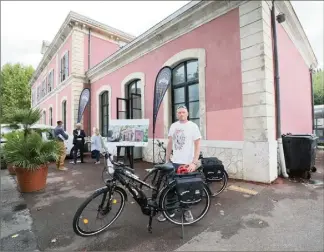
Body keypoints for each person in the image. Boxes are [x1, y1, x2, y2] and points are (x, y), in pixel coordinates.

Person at [157, 105, 202, 222]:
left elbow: (198, 145)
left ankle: (186, 210)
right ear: (177, 114)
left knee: (186, 189)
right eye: (179, 112)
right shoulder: (174, 126)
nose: (181, 114)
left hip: (187, 164)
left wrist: (194, 162)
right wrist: (167, 160)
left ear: (187, 113)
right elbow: (170, 143)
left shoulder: (193, 126)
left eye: (183, 112)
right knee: (170, 188)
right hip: (174, 162)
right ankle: (170, 211)